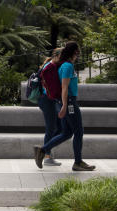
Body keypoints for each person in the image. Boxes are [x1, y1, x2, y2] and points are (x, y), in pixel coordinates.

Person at [33, 41, 95, 172]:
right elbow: (64, 87)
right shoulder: (67, 66)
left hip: (66, 102)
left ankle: (42, 150)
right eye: (77, 52)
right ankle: (78, 162)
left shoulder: (64, 65)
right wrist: (65, 105)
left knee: (67, 133)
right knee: (78, 131)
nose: (78, 55)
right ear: (73, 52)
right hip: (70, 102)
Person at [36, 48, 63, 166]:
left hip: (50, 100)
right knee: (51, 128)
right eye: (62, 57)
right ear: (56, 56)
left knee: (60, 128)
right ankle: (46, 156)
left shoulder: (52, 65)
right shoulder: (49, 67)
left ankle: (47, 151)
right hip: (47, 100)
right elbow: (49, 87)